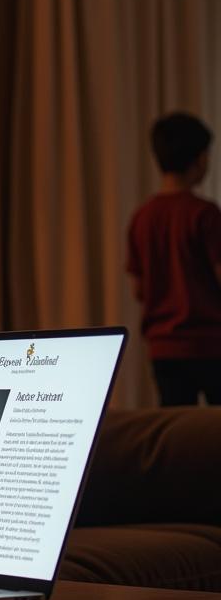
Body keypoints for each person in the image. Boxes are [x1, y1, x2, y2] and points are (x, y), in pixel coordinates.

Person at [126, 112, 221, 405]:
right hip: (209, 344)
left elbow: (138, 289)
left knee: (177, 432)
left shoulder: (141, 217)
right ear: (201, 159)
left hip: (163, 348)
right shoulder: (205, 214)